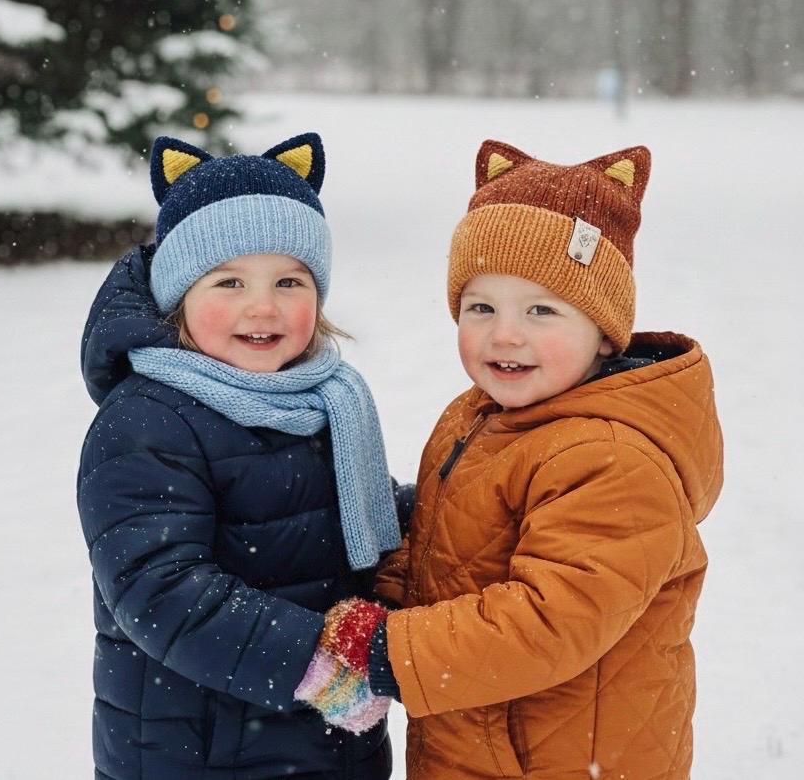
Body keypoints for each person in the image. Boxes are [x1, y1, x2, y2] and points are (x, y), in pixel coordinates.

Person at [295, 140, 724, 779]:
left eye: (542, 310)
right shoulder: (481, 415)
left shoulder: (612, 461)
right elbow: (458, 547)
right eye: (481, 308)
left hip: (564, 759)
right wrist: (380, 572)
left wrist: (385, 649)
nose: (506, 334)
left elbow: (548, 622)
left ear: (606, 332)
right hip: (481, 741)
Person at [77, 133, 413, 780]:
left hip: (329, 744)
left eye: (289, 280)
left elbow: (344, 516)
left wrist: (448, 508)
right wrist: (315, 664)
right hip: (198, 750)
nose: (263, 306)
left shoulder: (323, 399)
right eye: (229, 281)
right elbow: (160, 588)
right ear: (179, 295)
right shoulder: (147, 419)